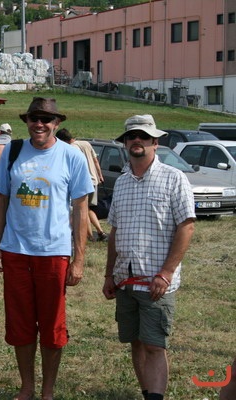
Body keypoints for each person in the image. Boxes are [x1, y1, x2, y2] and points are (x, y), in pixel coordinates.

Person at [0, 97, 92, 400]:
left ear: (56, 123)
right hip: (16, 250)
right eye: (34, 118)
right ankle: (27, 387)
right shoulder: (13, 151)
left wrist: (79, 260)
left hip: (54, 253)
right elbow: (1, 200)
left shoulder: (71, 156)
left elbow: (81, 208)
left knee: (52, 326)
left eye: (46, 119)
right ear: (26, 121)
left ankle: (48, 390)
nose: (39, 124)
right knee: (19, 324)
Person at [102, 114, 195, 400]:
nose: (137, 140)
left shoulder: (174, 178)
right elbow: (115, 232)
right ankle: (147, 394)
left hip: (156, 281)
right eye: (131, 136)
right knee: (136, 342)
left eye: (143, 136)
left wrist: (166, 273)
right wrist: (109, 274)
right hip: (125, 280)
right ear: (125, 143)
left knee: (155, 345)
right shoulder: (122, 182)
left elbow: (186, 226)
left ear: (155, 142)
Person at [55, 128, 108, 242]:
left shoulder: (71, 148)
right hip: (94, 180)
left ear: (63, 141)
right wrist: (100, 175)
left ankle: (90, 236)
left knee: (82, 209)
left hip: (83, 182)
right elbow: (95, 161)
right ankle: (100, 232)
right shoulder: (86, 143)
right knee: (88, 209)